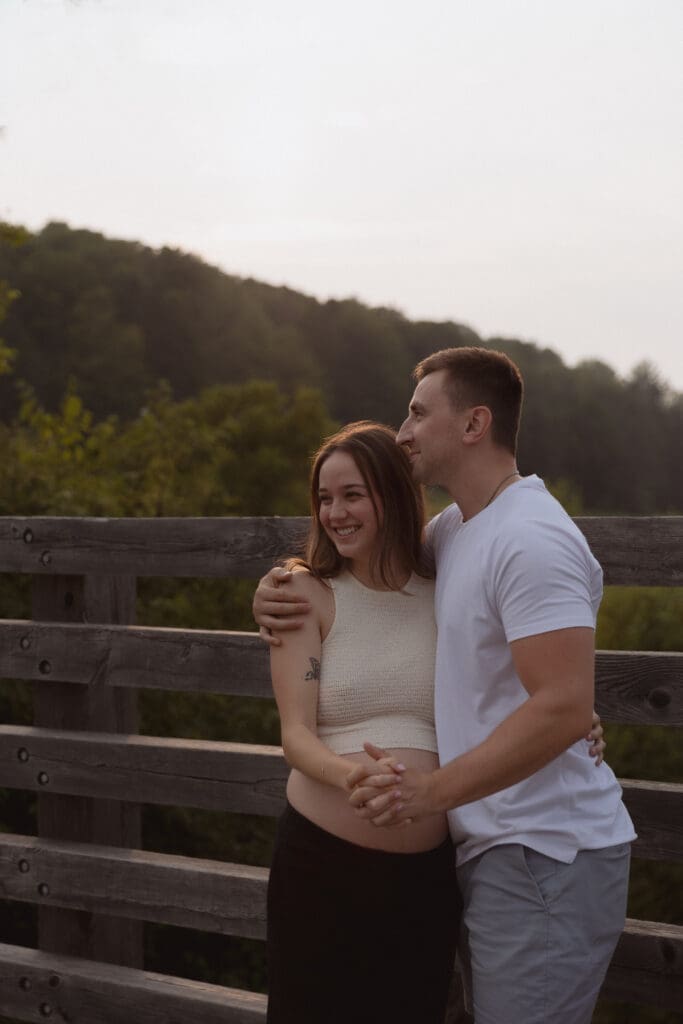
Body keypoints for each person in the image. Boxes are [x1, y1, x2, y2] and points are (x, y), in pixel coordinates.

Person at [254, 347, 629, 1024]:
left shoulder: (530, 537)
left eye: (419, 413)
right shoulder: (454, 532)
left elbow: (563, 699)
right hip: (478, 853)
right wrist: (277, 587)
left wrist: (430, 791)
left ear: (474, 424)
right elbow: (374, 569)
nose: (403, 431)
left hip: (542, 852)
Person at [265, 421, 460, 1024]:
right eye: (324, 498)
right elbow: (295, 733)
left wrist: (577, 713)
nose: (335, 512)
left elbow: (515, 672)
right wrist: (353, 778)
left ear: (394, 494)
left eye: (353, 495)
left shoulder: (447, 588)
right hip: (320, 867)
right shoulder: (306, 593)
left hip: (424, 881)